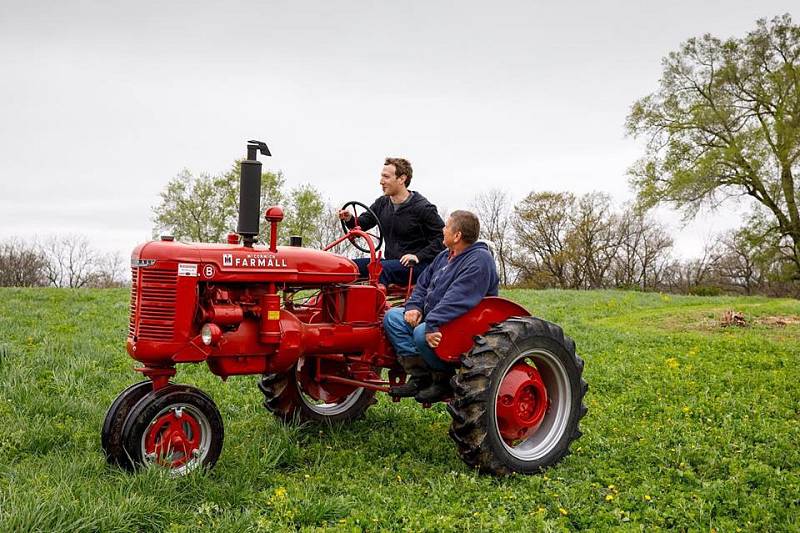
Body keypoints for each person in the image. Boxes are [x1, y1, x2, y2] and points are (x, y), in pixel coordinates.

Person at [383, 210, 500, 402]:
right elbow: (422, 284)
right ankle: (420, 376)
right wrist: (414, 306)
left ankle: (443, 379)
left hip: (462, 321)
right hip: (437, 316)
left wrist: (432, 323)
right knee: (393, 318)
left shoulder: (479, 260)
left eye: (446, 226)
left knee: (421, 334)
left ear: (457, 235)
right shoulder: (445, 256)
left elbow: (458, 298)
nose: (442, 230)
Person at [338, 158, 445, 286]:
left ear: (401, 179)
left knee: (380, 270)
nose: (381, 181)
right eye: (382, 176)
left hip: (418, 266)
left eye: (386, 177)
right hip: (392, 262)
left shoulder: (423, 208)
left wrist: (418, 256)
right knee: (348, 267)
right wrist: (349, 219)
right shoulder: (382, 203)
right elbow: (362, 224)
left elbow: (442, 239)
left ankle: (369, 305)